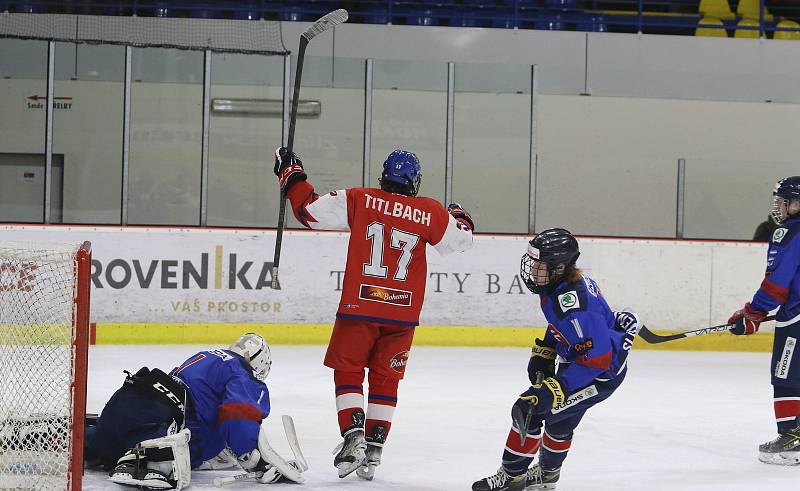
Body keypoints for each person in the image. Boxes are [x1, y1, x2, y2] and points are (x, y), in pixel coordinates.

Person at [274, 147, 474, 479]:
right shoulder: (431, 211)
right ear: (415, 182)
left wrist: (292, 173)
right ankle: (375, 447)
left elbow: (309, 212)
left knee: (349, 370)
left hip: (361, 306)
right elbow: (460, 241)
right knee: (386, 377)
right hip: (402, 315)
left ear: (384, 176)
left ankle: (354, 437)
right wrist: (460, 216)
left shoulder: (361, 198)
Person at [472, 228, 640, 491]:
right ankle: (548, 475)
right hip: (586, 361)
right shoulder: (559, 287)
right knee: (559, 420)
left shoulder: (574, 305)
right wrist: (546, 351)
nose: (533, 271)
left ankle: (511, 477)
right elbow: (564, 327)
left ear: (559, 267)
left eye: (540, 265)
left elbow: (598, 358)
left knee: (530, 408)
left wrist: (556, 388)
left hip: (600, 373)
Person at [84, 333, 304, 489]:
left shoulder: (207, 355)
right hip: (158, 419)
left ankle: (82, 436)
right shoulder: (241, 373)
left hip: (128, 398)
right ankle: (141, 460)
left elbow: (187, 390)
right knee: (164, 462)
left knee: (101, 445)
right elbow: (238, 416)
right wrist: (253, 458)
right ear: (261, 363)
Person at [727, 176, 800, 466]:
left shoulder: (789, 232)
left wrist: (754, 312)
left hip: (797, 320)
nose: (780, 207)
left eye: (784, 201)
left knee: (786, 376)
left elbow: (777, 284)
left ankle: (791, 439)